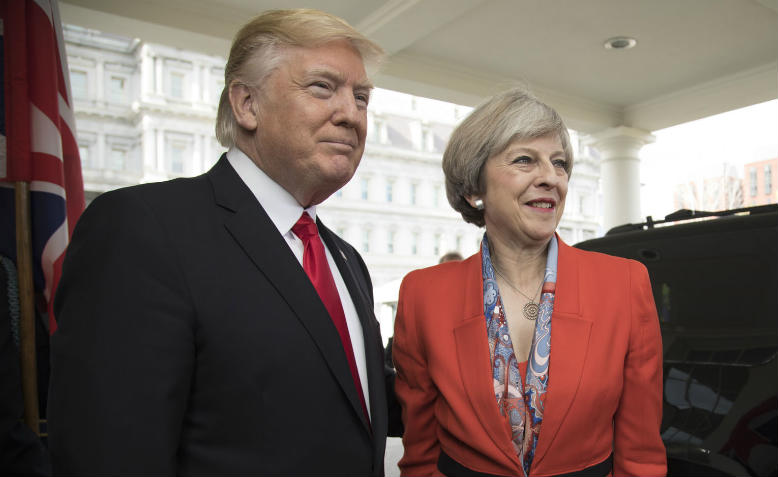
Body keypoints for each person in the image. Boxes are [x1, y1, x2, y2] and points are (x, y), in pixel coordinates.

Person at [49, 9, 399, 475]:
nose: (351, 115)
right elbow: (109, 454)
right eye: (322, 87)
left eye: (361, 97)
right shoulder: (143, 228)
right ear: (247, 104)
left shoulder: (347, 261)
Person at [392, 88, 666, 476]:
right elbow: (420, 453)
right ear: (474, 189)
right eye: (525, 160)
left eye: (559, 163)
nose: (551, 178)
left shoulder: (624, 283)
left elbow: (640, 455)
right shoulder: (423, 294)